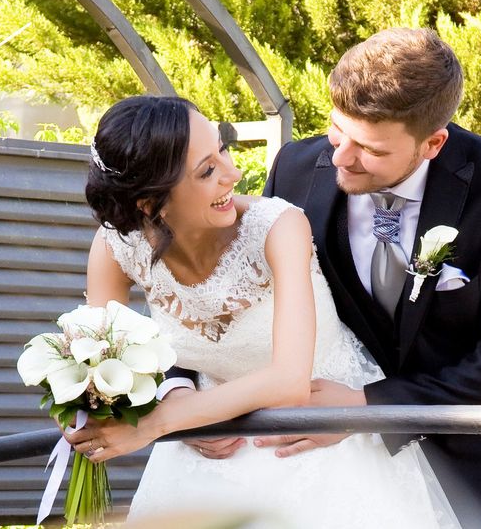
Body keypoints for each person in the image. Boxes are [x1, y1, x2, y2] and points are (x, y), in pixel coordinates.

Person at [206, 27, 481, 527]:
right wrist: (182, 388)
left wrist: (365, 407)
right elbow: (228, 296)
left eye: (371, 150)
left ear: (433, 143)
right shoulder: (294, 169)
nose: (339, 157)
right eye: (337, 130)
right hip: (350, 480)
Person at [66, 95, 460, 527]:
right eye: (207, 171)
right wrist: (85, 412)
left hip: (319, 440)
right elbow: (93, 367)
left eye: (222, 149)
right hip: (203, 447)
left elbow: (289, 381)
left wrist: (156, 424)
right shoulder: (113, 249)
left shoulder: (278, 226)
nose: (233, 174)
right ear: (148, 203)